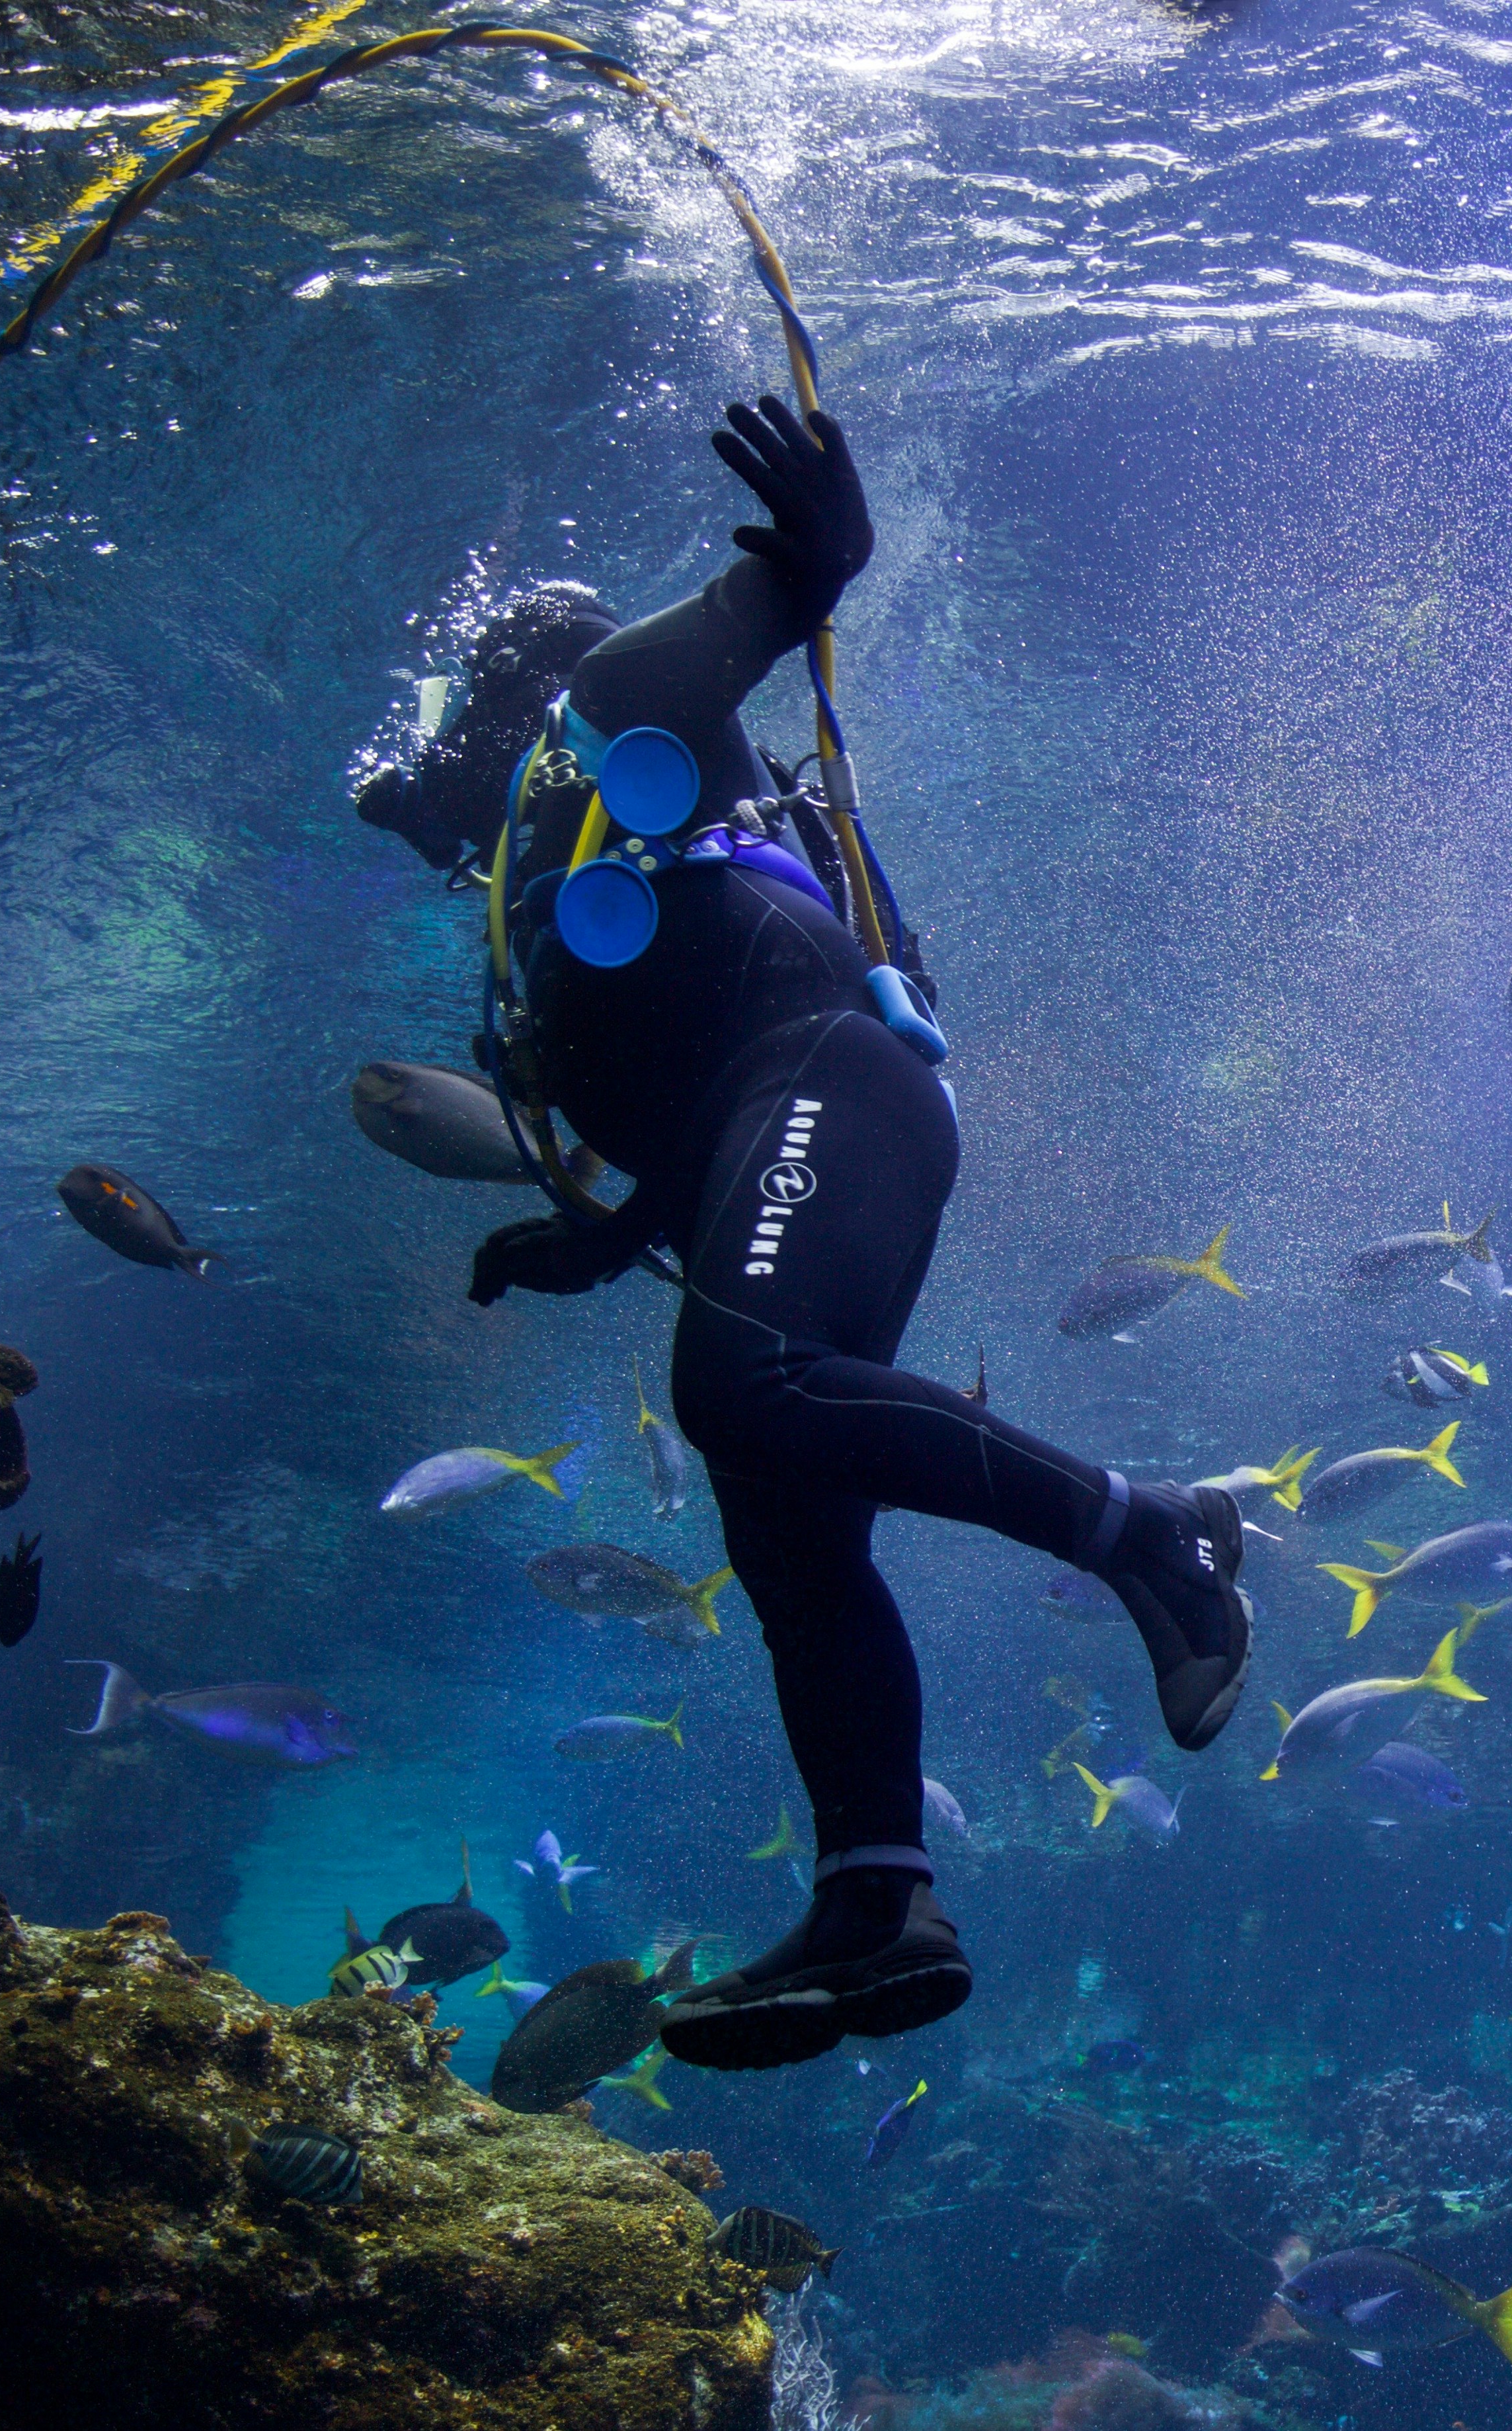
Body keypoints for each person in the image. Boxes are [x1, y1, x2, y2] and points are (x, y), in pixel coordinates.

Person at [359, 397, 1252, 2072]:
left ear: (506, 702)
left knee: (748, 1378)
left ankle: (1158, 1533)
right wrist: (605, 1233)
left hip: (833, 1081)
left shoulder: (622, 714)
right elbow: (693, 1101)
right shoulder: (558, 883)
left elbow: (777, 597)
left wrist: (813, 545)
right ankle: (876, 1897)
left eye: (452, 735)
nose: (436, 798)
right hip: (796, 1129)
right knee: (790, 1547)